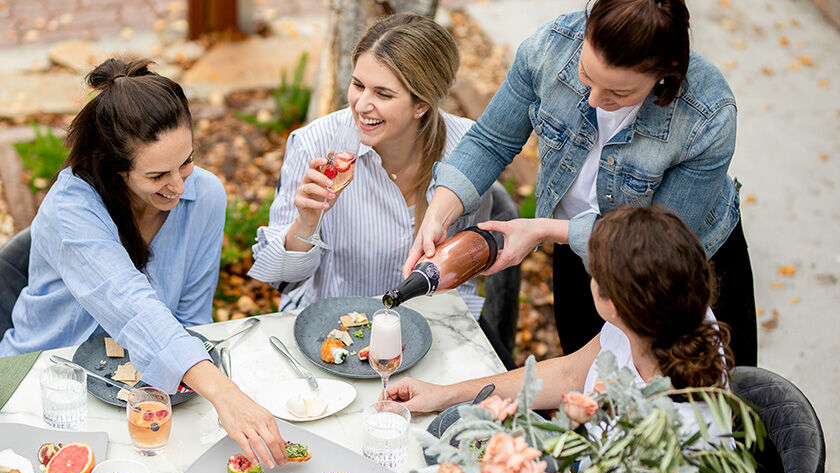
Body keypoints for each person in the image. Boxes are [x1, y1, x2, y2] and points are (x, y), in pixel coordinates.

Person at [403, 0, 757, 366]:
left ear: (666, 72)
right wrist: (439, 212)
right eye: (586, 75)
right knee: (589, 384)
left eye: (619, 95)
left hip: (676, 275)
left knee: (708, 404)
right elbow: (492, 140)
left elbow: (656, 239)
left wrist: (542, 230)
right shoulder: (551, 47)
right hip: (573, 250)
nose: (594, 100)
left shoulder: (708, 116)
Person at [0, 59, 287, 468]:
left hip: (144, 387)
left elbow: (190, 318)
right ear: (115, 169)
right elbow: (130, 302)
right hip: (43, 382)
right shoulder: (71, 209)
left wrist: (204, 393)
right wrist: (225, 393)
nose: (178, 186)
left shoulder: (204, 195)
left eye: (186, 161)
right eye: (157, 176)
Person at [247, 14, 515, 367]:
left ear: (422, 104)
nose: (361, 104)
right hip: (331, 333)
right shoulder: (314, 143)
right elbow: (278, 278)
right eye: (358, 85)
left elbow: (466, 264)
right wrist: (305, 223)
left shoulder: (467, 147)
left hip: (433, 329)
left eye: (383, 94)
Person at [387, 206, 733, 433]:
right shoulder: (672, 308)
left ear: (612, 305)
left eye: (594, 273)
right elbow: (570, 374)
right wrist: (446, 394)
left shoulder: (665, 428)